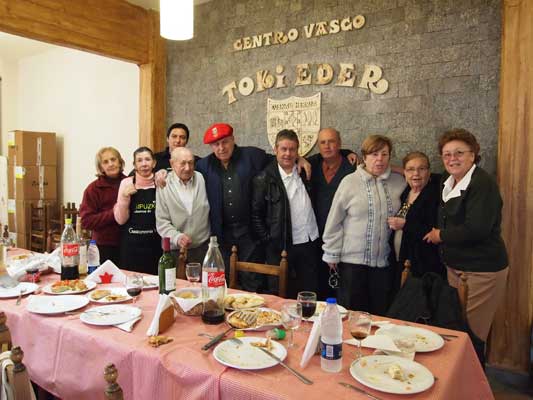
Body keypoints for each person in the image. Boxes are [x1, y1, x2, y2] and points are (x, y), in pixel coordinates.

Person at [195, 123, 311, 292]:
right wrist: (162, 174)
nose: (221, 148)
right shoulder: (204, 165)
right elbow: (183, 168)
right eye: (216, 144)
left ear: (233, 140)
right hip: (221, 236)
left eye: (225, 142)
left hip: (249, 234)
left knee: (253, 283)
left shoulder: (252, 155)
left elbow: (279, 159)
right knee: (222, 282)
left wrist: (299, 158)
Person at [424, 128, 508, 345]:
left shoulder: (482, 184)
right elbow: (422, 175)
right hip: (456, 269)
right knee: (456, 327)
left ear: (473, 154)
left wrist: (440, 235)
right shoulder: (447, 179)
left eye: (459, 153)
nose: (453, 159)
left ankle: (472, 378)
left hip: (481, 271)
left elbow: (477, 229)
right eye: (447, 154)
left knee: (470, 335)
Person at [322, 135, 405, 314]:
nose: (379, 159)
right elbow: (334, 221)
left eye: (384, 154)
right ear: (364, 157)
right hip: (351, 264)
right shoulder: (349, 182)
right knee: (351, 315)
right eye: (374, 154)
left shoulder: (399, 182)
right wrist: (331, 253)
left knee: (379, 316)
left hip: (384, 263)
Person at [252, 129, 320, 298]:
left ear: (298, 151)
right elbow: (255, 215)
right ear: (275, 150)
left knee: (310, 292)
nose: (288, 154)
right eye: (284, 149)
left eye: (292, 149)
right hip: (281, 246)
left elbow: (330, 154)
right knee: (282, 294)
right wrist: (270, 241)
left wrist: (348, 153)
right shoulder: (264, 178)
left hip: (309, 241)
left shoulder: (306, 171)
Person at [308, 127, 357, 299]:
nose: (327, 146)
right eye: (323, 142)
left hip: (343, 239)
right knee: (319, 285)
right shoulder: (312, 165)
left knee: (341, 288)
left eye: (332, 141)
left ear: (340, 143)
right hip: (316, 238)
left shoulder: (352, 167)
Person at [388, 151, 445, 287]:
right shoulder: (406, 192)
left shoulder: (434, 195)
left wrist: (405, 225)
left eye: (421, 169)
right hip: (401, 260)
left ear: (429, 172)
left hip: (423, 264)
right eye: (411, 169)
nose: (416, 174)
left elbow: (433, 231)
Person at [156, 147, 210, 263]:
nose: (188, 168)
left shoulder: (200, 178)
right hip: (175, 251)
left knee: (202, 281)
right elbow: (162, 222)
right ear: (172, 163)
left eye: (191, 163)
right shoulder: (164, 183)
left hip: (202, 248)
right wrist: (177, 238)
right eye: (183, 163)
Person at [114, 147, 161, 274]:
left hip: (155, 245)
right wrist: (124, 197)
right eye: (139, 160)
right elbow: (120, 220)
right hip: (131, 247)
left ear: (154, 163)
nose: (144, 164)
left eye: (147, 159)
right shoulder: (126, 183)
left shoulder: (160, 182)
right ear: (134, 165)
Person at [80, 147, 126, 265]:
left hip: (129, 245)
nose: (110, 164)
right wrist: (114, 213)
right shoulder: (93, 189)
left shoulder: (131, 182)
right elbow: (86, 221)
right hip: (104, 247)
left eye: (113, 159)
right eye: (105, 162)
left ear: (120, 162)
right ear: (101, 168)